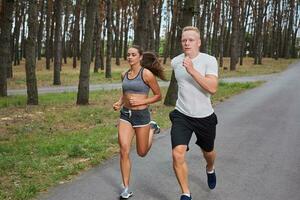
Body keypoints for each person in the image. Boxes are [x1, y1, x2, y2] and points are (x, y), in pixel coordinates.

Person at [169, 26, 219, 200]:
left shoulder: (209, 60)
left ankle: (210, 168)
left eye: (190, 40)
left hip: (204, 116)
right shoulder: (175, 62)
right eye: (184, 40)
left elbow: (212, 88)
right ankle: (186, 193)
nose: (187, 43)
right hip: (182, 114)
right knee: (177, 153)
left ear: (198, 42)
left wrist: (192, 70)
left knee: (209, 152)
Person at [113, 45, 166, 199]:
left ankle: (151, 128)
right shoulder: (124, 74)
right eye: (128, 54)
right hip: (126, 116)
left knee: (141, 152)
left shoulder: (147, 74)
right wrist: (119, 103)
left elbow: (158, 95)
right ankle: (126, 188)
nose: (130, 57)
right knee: (123, 149)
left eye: (133, 54)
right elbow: (125, 94)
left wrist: (143, 101)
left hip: (142, 116)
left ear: (140, 57)